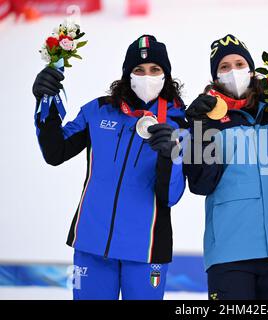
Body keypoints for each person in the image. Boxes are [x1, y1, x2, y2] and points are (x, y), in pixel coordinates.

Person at [32, 35, 186, 300]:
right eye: (139, 70)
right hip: (92, 245)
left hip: (146, 252)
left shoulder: (179, 123)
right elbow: (55, 152)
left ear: (166, 75)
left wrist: (168, 156)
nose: (146, 76)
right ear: (127, 75)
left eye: (155, 70)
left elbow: (171, 195)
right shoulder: (98, 111)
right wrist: (45, 103)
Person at [183, 34, 268, 300]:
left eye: (239, 63)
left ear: (252, 69)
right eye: (224, 66)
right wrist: (200, 130)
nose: (233, 71)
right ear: (215, 76)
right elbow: (201, 184)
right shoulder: (208, 118)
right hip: (231, 251)